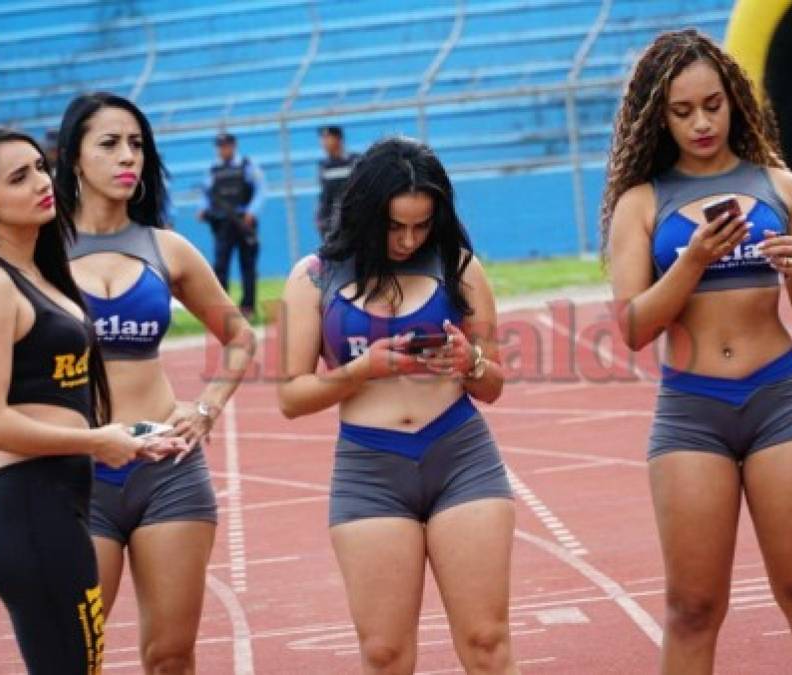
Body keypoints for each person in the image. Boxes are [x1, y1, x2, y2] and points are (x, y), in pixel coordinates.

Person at [601, 30, 792, 674]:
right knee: (691, 607)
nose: (701, 123)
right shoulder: (642, 203)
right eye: (682, 112)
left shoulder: (780, 185)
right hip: (692, 412)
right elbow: (631, 327)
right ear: (658, 118)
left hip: (780, 401)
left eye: (712, 105)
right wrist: (691, 263)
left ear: (734, 101)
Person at [0, 128, 183, 674]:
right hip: (28, 510)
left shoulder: (35, 273)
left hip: (58, 505)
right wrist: (96, 440)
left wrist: (122, 434)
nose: (43, 182)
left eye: (41, 169)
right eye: (19, 178)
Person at [277, 137, 519, 674]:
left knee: (486, 640)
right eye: (394, 226)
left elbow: (494, 384)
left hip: (461, 457)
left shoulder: (458, 264)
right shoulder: (314, 276)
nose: (409, 239)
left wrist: (468, 361)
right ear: (365, 212)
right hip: (370, 469)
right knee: (384, 654)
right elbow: (291, 396)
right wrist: (362, 370)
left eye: (421, 224)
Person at [54, 92, 256, 674]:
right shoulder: (39, 253)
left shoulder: (166, 249)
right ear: (73, 157)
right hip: (79, 475)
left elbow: (240, 337)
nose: (128, 157)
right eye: (110, 143)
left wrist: (208, 406)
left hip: (168, 468)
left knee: (170, 656)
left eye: (137, 144)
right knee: (74, 655)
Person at [197, 131, 266, 318]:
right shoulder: (213, 169)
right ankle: (223, 307)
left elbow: (260, 190)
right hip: (222, 224)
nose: (223, 150)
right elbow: (206, 193)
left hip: (244, 222)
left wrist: (252, 211)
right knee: (220, 266)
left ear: (233, 146)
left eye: (226, 146)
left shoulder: (247, 166)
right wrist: (203, 209)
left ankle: (248, 308)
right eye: (220, 147)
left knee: (248, 266)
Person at [314, 125, 359, 239]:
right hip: (330, 222)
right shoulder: (324, 165)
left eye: (327, 138)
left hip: (352, 219)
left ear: (338, 139)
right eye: (322, 139)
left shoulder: (354, 162)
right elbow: (325, 196)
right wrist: (320, 218)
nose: (323, 142)